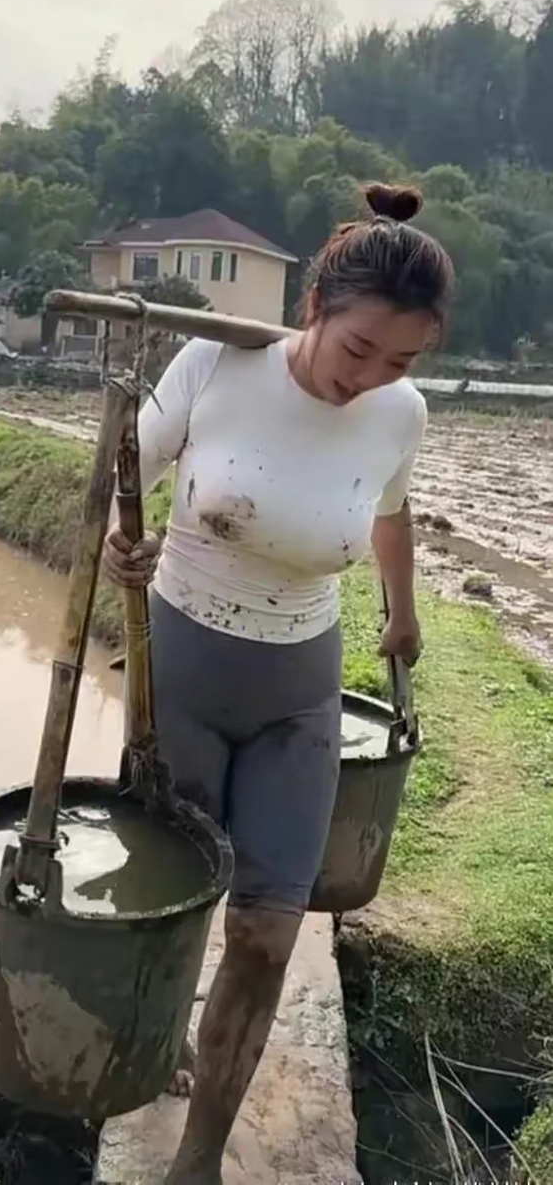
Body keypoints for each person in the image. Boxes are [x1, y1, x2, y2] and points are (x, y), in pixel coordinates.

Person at [103, 184, 454, 1185]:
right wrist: (125, 542)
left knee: (265, 931)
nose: (370, 378)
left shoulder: (400, 413)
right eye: (360, 350)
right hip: (183, 664)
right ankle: (160, 1040)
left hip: (300, 685)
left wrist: (401, 607)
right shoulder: (217, 362)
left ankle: (200, 1155)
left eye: (400, 361)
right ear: (314, 310)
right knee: (171, 905)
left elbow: (390, 510)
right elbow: (122, 472)